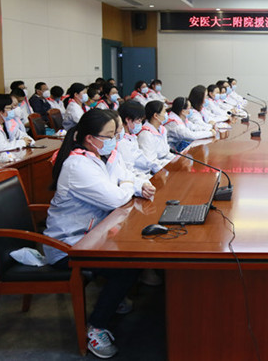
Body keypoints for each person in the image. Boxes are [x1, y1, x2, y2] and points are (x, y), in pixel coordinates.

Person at [43, 109, 155, 359]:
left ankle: (113, 298)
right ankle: (96, 327)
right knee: (128, 265)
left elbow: (126, 177)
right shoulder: (77, 165)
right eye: (110, 135)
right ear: (90, 138)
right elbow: (115, 198)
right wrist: (128, 186)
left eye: (116, 134)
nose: (115, 139)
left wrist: (139, 185)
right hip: (69, 246)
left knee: (133, 253)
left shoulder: (102, 156)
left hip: (94, 235)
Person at [117, 101, 161, 175]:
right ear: (128, 119)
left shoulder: (131, 137)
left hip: (143, 174)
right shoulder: (122, 142)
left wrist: (156, 166)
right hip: (136, 176)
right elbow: (129, 170)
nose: (140, 124)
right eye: (139, 120)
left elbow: (140, 157)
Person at [138, 100, 175, 165]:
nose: (166, 114)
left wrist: (176, 159)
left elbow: (166, 153)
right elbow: (151, 161)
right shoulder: (146, 134)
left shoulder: (162, 129)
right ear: (156, 115)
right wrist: (170, 163)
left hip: (164, 164)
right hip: (155, 168)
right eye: (164, 112)